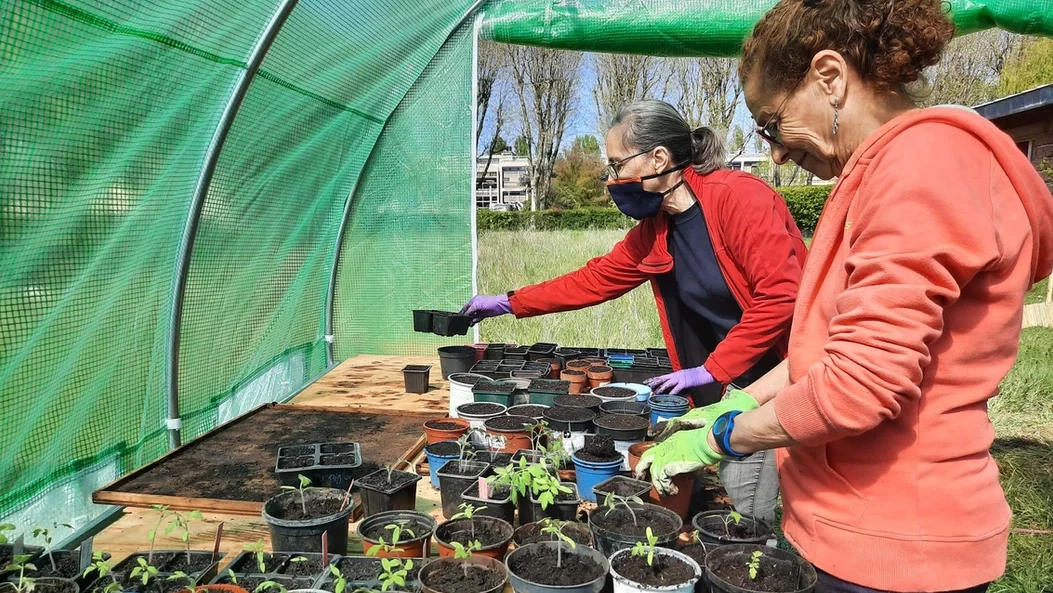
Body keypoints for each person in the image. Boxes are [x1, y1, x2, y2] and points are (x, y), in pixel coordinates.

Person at [638, 0, 1053, 591]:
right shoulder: (879, 169)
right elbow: (832, 348)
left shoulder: (924, 166)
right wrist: (737, 402)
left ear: (829, 78)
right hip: (847, 528)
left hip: (896, 545)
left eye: (772, 123)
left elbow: (858, 385)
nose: (775, 152)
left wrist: (720, 440)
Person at [461, 100, 808, 523]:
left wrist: (713, 368)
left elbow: (781, 296)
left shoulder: (739, 199)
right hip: (726, 380)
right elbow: (593, 279)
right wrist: (508, 302)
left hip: (773, 376)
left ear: (659, 158)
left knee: (747, 503)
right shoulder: (655, 231)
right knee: (732, 487)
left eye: (617, 165)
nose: (613, 180)